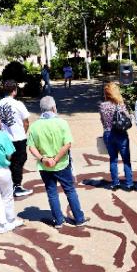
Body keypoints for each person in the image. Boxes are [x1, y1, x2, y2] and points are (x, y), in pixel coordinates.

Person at [27, 96, 87, 228]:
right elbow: (67, 144)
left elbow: (31, 147)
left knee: (51, 192)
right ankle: (79, 218)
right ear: (54, 108)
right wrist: (55, 159)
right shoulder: (61, 123)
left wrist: (43, 159)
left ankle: (58, 220)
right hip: (61, 163)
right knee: (70, 190)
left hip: (44, 166)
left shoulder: (35, 126)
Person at [0, 80, 33, 198]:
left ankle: (8, 185)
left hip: (5, 138)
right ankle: (16, 186)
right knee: (19, 161)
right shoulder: (18, 104)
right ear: (14, 90)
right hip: (18, 138)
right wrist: (23, 133)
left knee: (9, 162)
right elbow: (26, 122)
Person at [99, 82, 134, 191]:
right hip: (120, 134)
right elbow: (127, 119)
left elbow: (102, 121)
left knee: (113, 159)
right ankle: (129, 183)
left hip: (108, 133)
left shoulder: (102, 106)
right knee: (126, 159)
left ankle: (115, 183)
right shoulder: (120, 105)